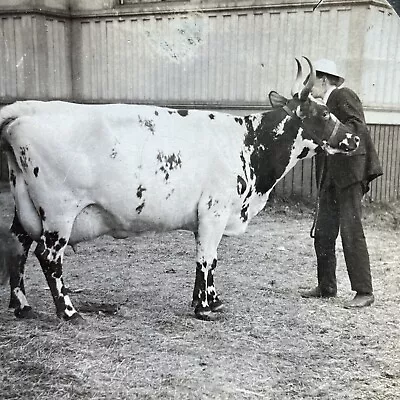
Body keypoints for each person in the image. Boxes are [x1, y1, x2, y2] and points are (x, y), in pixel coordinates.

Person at [301, 59, 383, 308]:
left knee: (351, 231)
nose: (309, 85)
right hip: (331, 176)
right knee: (324, 231)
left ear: (324, 80)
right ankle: (326, 286)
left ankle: (364, 291)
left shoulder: (343, 95)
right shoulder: (323, 105)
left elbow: (357, 129)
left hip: (349, 175)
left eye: (312, 80)